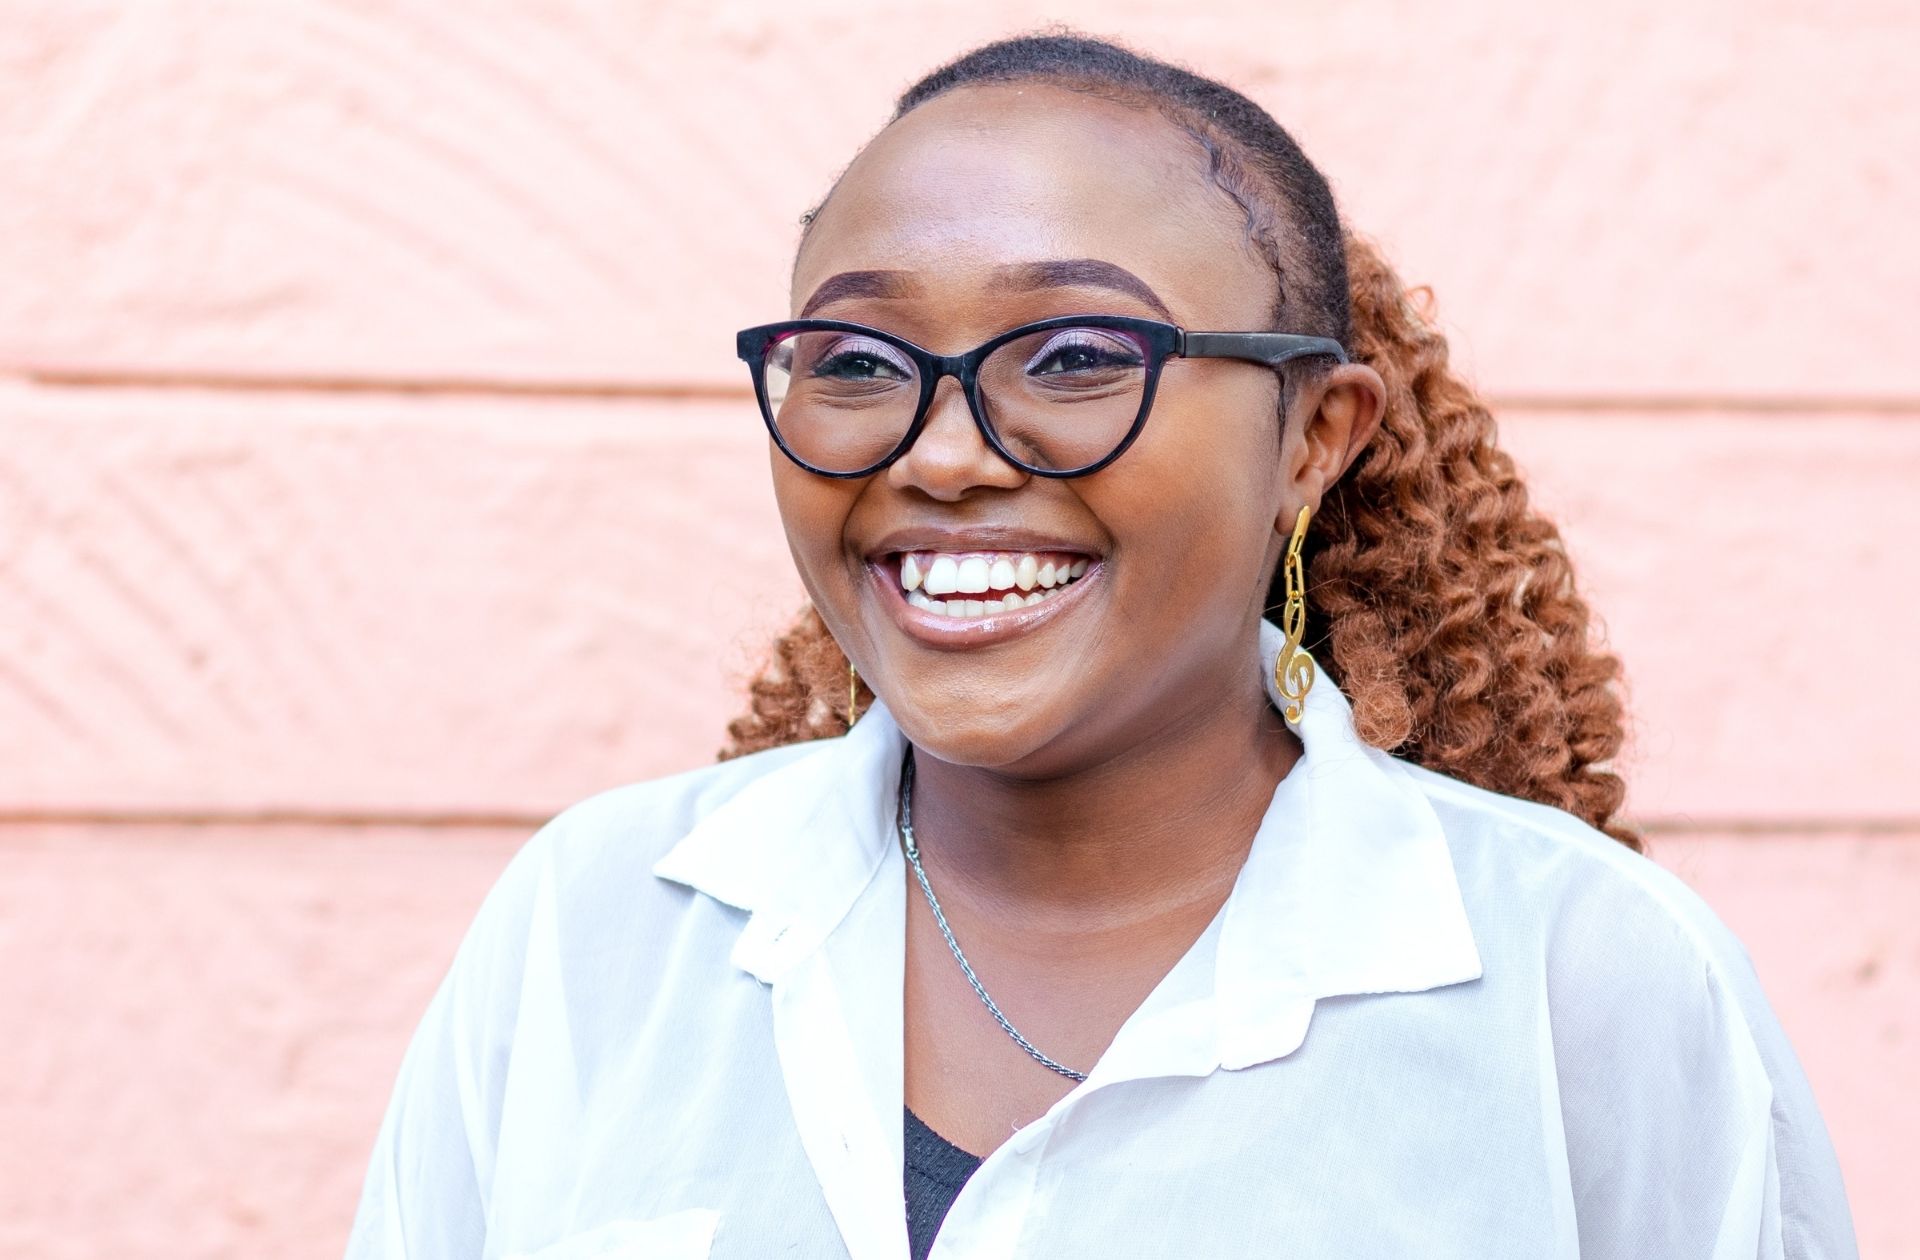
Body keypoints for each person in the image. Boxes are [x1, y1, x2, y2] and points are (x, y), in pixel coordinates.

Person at [346, 32, 1856, 1260]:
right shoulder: (592, 931)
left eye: (1077, 355)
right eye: (858, 362)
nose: (941, 455)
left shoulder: (1581, 981)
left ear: (1311, 441)